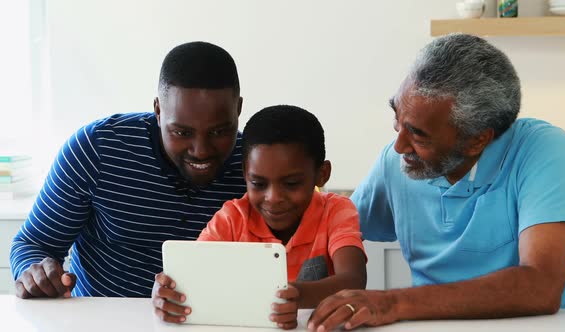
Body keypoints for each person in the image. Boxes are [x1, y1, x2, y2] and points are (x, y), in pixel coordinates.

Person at [307, 33, 565, 331]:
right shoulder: (396, 160)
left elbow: (539, 287)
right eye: (397, 119)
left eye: (418, 134)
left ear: (477, 139)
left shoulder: (545, 150)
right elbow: (332, 233)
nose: (400, 145)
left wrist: (391, 303)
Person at [10, 41, 247, 298]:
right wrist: (35, 273)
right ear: (158, 111)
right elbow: (33, 243)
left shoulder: (256, 166)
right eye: (182, 132)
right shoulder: (96, 148)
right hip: (102, 320)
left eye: (219, 132)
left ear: (238, 110)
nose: (201, 150)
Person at [152, 105, 367, 329]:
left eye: (291, 184)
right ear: (246, 173)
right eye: (259, 184)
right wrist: (166, 292)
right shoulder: (232, 218)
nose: (273, 198)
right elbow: (193, 278)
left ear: (321, 174)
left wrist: (295, 296)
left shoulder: (336, 211)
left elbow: (354, 279)